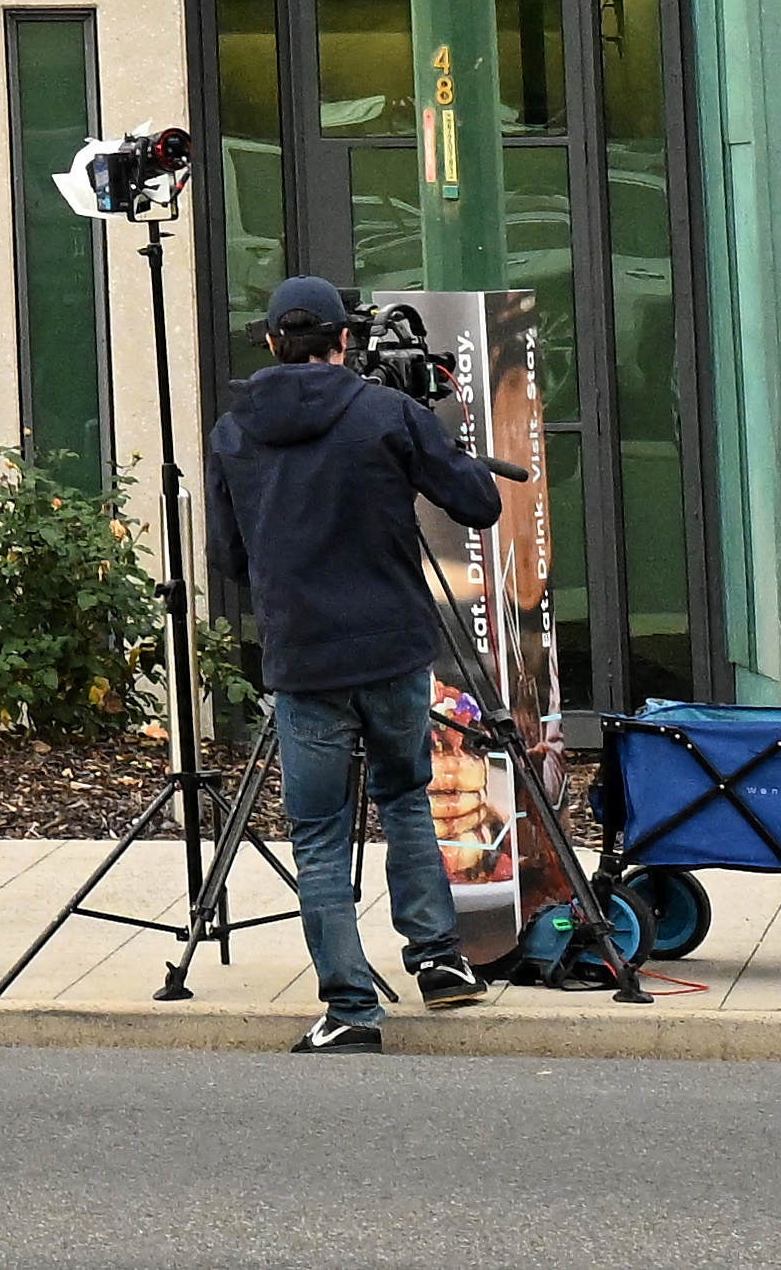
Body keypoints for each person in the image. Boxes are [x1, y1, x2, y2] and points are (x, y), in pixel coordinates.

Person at [216, 274, 513, 1048]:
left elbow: (225, 557)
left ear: (275, 343)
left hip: (302, 658)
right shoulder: (386, 412)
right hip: (389, 647)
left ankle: (350, 1009)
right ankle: (438, 961)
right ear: (344, 341)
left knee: (317, 833)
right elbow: (477, 505)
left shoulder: (232, 431)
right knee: (406, 796)